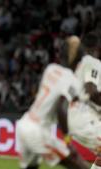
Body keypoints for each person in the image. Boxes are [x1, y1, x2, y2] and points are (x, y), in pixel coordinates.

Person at [16, 36, 90, 169]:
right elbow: (62, 108)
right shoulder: (72, 80)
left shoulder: (50, 69)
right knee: (77, 163)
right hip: (37, 132)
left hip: (24, 124)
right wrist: (67, 140)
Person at [66, 33, 101, 169]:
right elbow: (91, 91)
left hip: (73, 116)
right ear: (97, 47)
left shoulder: (76, 65)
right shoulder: (92, 62)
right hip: (82, 116)